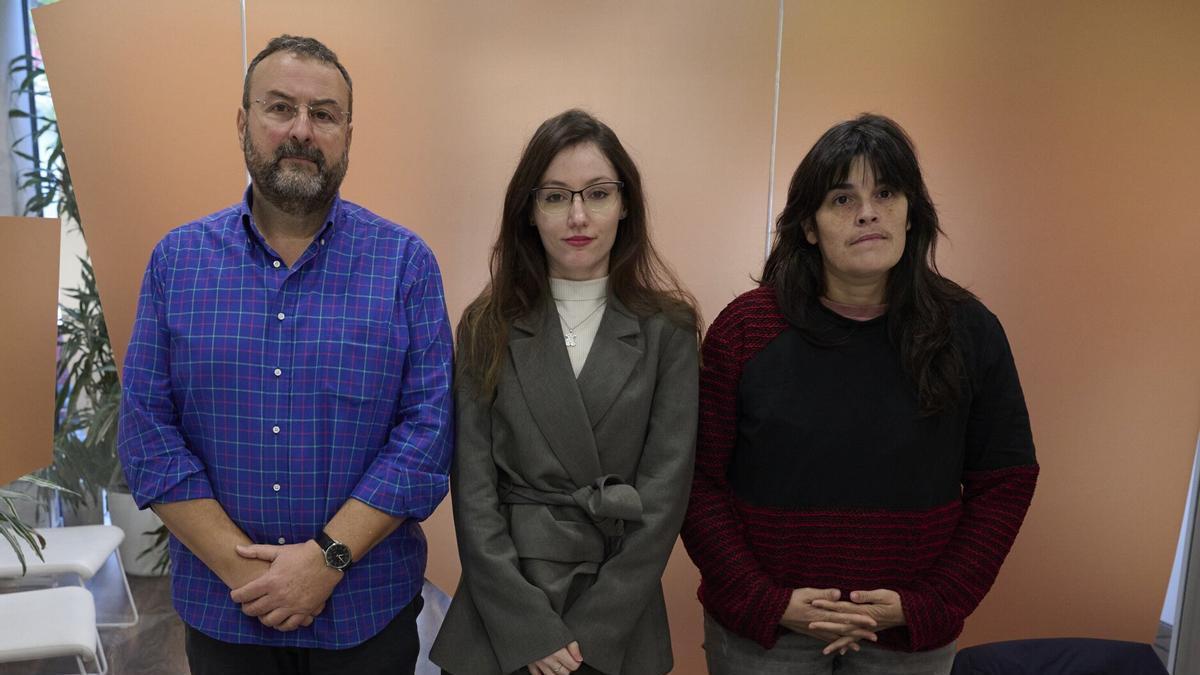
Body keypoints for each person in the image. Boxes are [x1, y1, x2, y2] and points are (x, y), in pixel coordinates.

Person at [117, 35, 453, 675]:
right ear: (243, 122)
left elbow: (428, 434)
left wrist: (324, 561)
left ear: (348, 133)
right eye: (280, 108)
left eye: (323, 114)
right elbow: (146, 434)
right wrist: (253, 574)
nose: (302, 130)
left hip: (367, 613)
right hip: (225, 612)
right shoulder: (177, 262)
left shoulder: (405, 265)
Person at [682, 113, 1039, 675]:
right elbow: (697, 481)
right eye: (842, 199)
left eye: (886, 193)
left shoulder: (969, 330)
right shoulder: (745, 331)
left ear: (910, 213)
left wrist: (932, 603)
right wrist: (764, 599)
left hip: (905, 636)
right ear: (808, 225)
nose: (868, 212)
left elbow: (1006, 481)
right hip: (767, 637)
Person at [430, 109, 699, 675]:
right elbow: (473, 495)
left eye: (597, 193)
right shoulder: (486, 323)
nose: (578, 215)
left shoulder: (668, 329)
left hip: (617, 619)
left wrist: (593, 634)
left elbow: (665, 498)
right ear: (528, 211)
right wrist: (528, 629)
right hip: (502, 612)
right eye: (555, 197)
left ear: (625, 204)